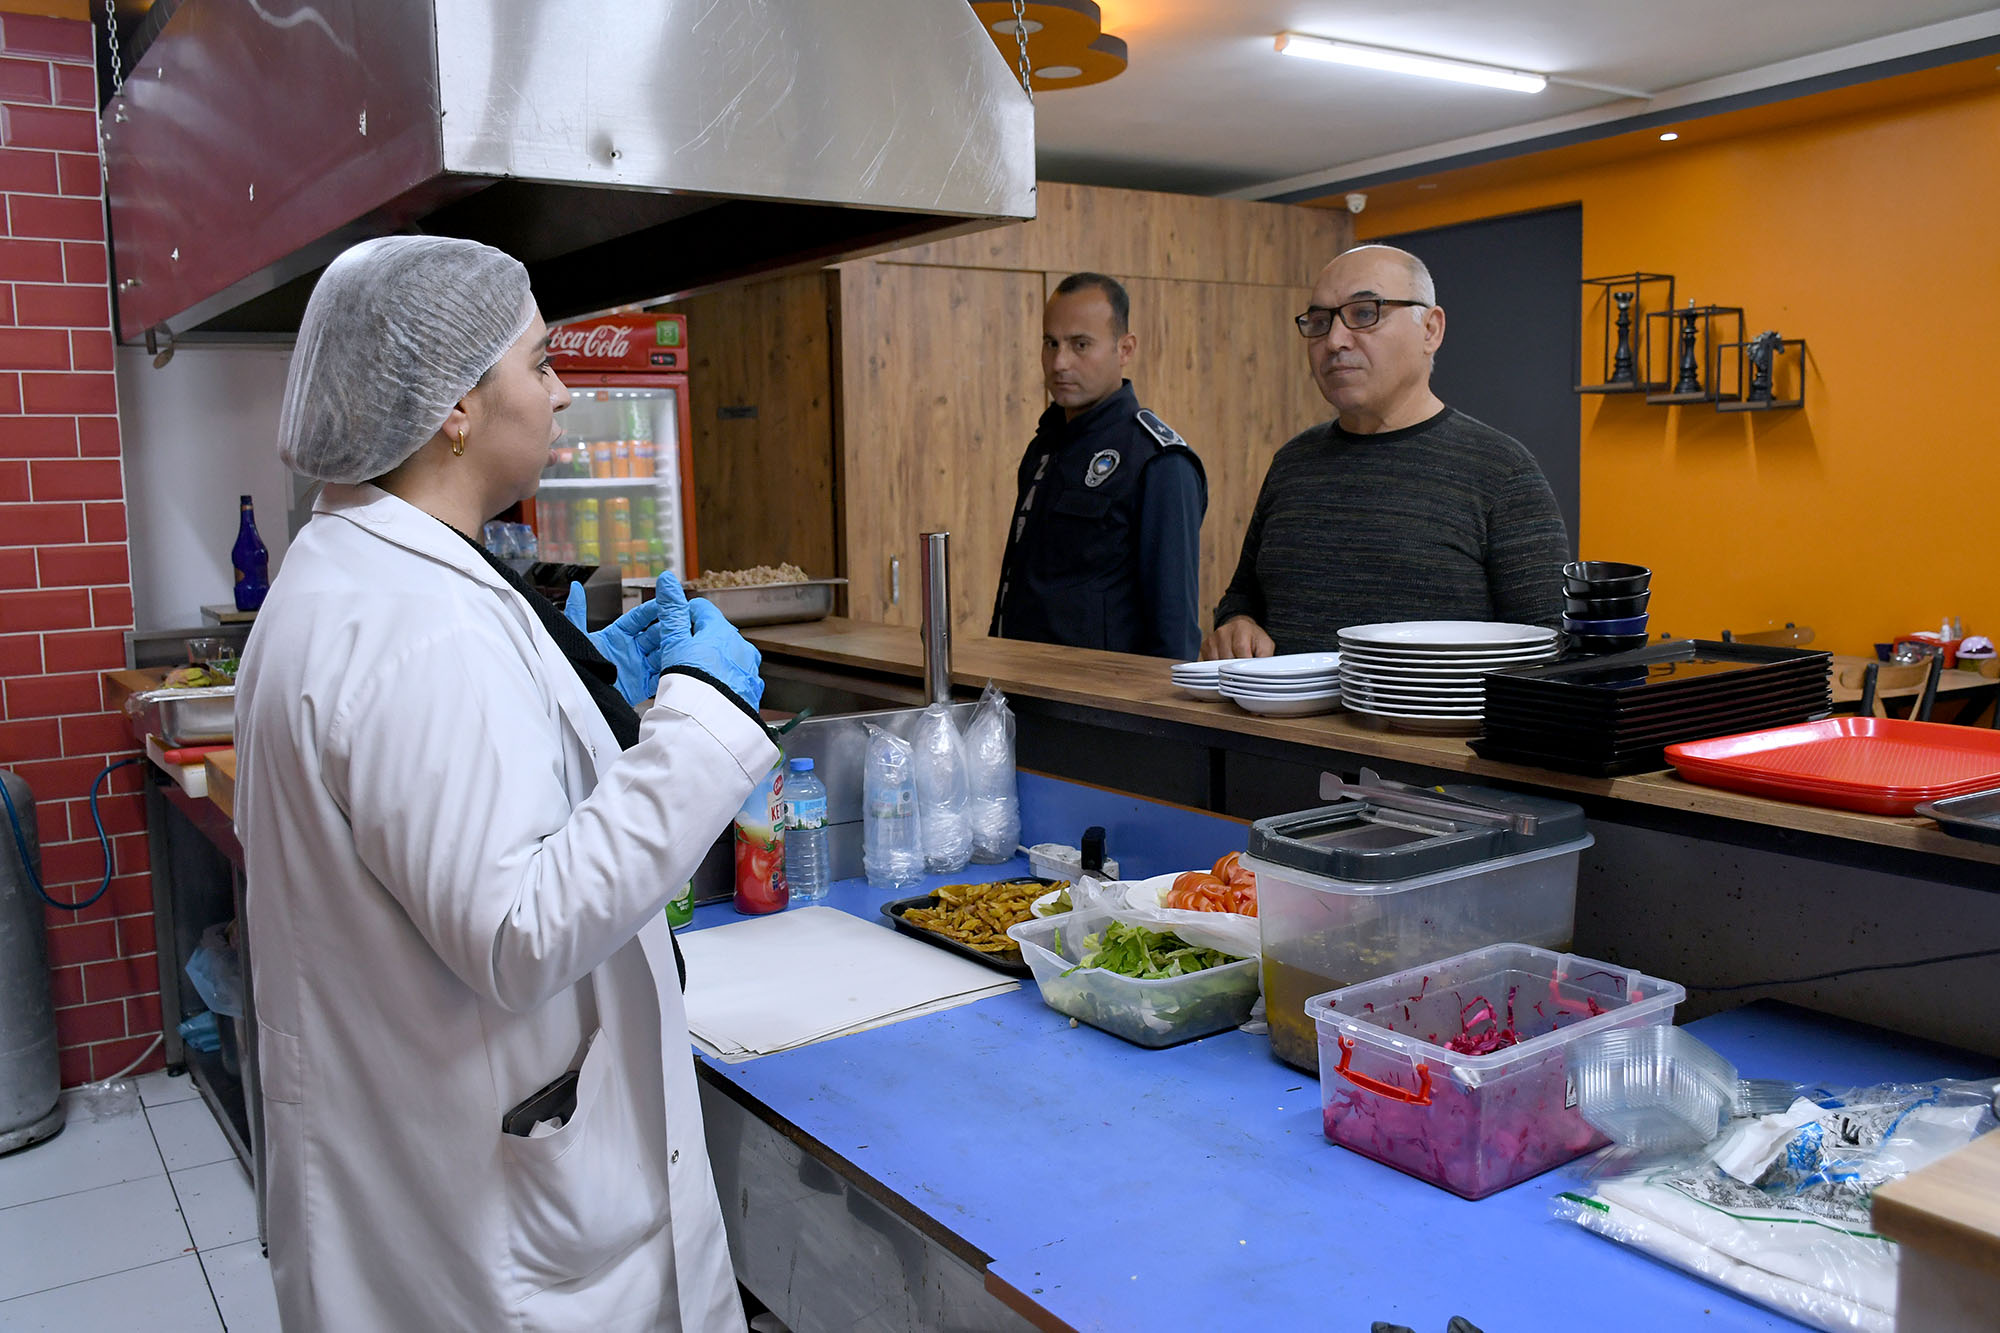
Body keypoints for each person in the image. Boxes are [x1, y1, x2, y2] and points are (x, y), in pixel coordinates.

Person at [234, 235, 776, 1332]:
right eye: (537, 363)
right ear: (455, 408)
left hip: (420, 1149)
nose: (563, 390)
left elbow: (459, 800)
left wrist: (583, 689)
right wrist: (702, 721)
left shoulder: (367, 569)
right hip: (489, 1228)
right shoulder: (418, 626)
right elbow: (517, 929)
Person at [1203, 245, 1567, 659]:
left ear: (1430, 330)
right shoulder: (1293, 463)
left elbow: (1547, 647)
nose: (1335, 341)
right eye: (1320, 322)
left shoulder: (1502, 471)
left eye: (1364, 313)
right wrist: (1237, 626)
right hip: (1281, 724)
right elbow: (1242, 598)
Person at [990, 272, 1207, 660]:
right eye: (1050, 343)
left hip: (1099, 709)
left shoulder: (1157, 461)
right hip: (1022, 691)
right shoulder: (1045, 447)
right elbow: (1019, 587)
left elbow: (1174, 632)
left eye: (1080, 345)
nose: (1060, 362)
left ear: (1124, 349)